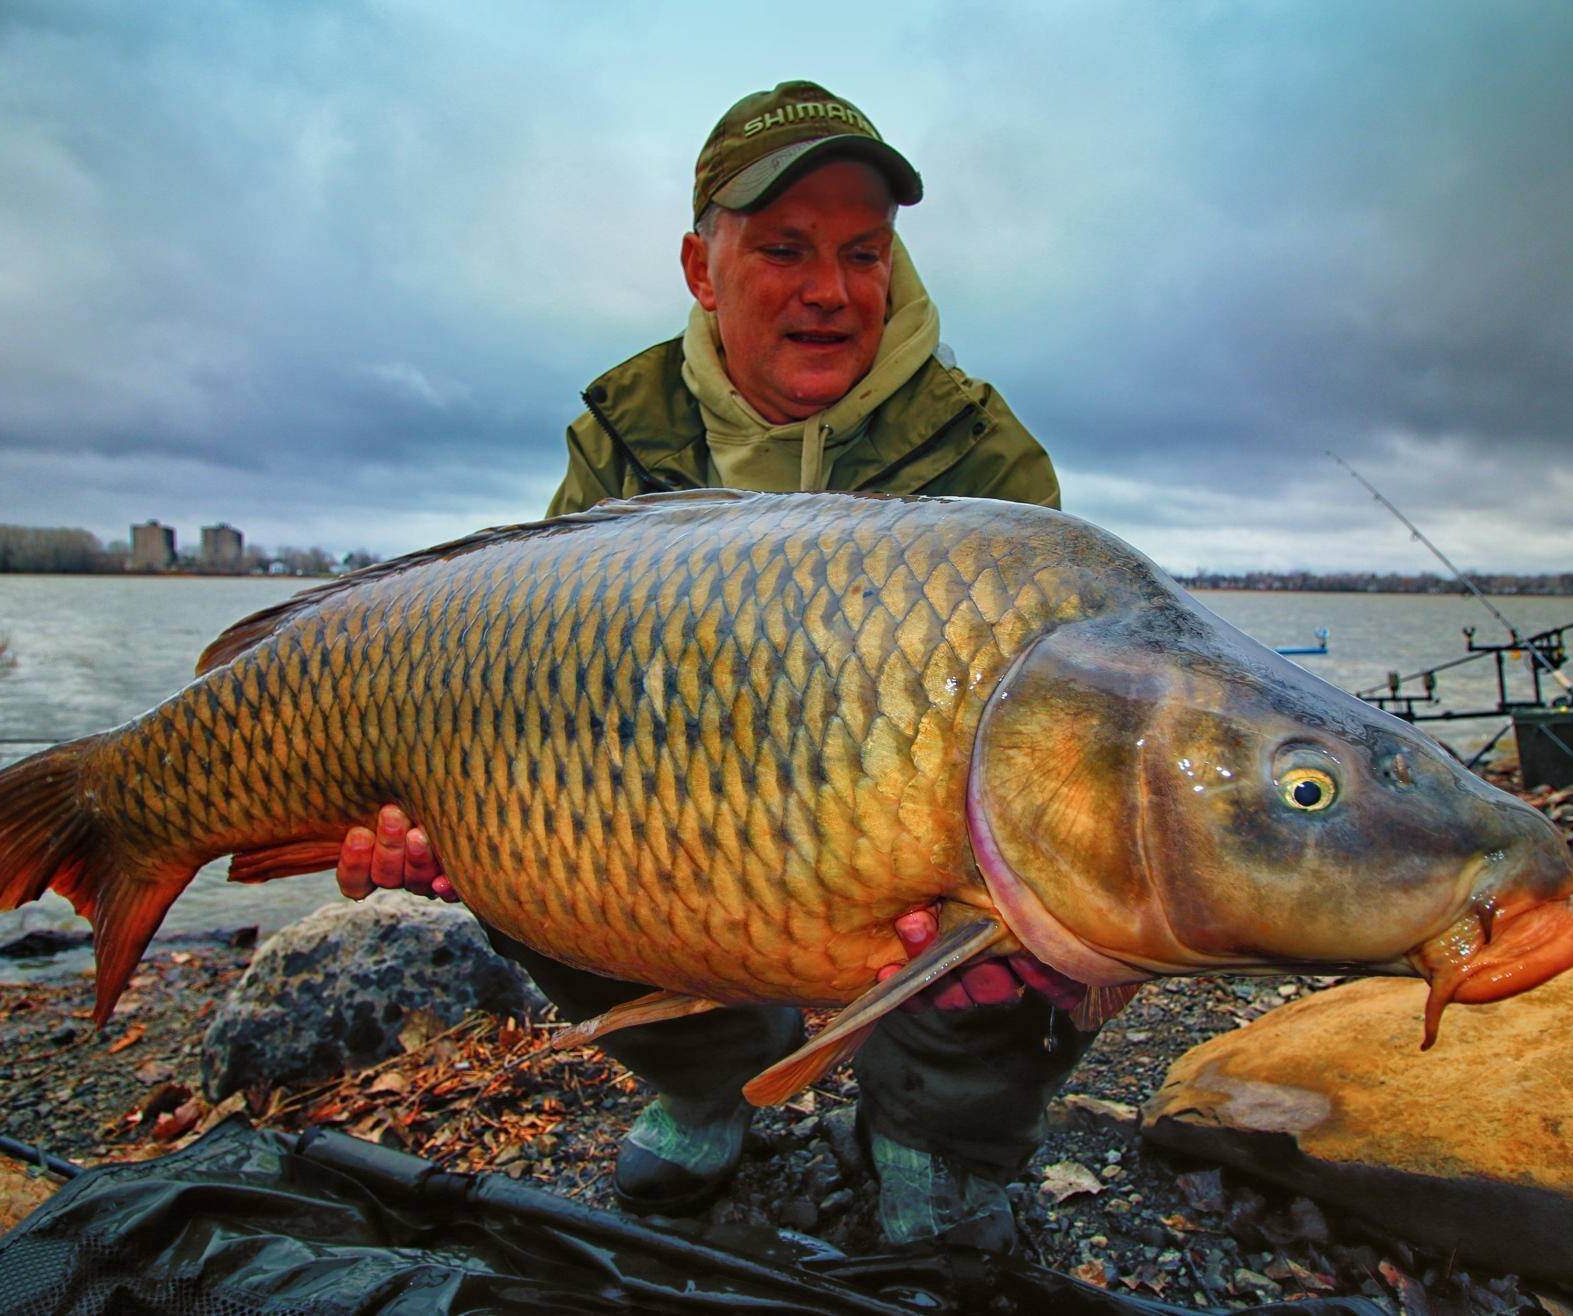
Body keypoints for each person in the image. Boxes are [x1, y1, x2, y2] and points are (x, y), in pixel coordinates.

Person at [338, 81, 1097, 1252]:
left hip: (894, 830)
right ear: (701, 267)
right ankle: (705, 1080)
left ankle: (935, 1138)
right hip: (678, 818)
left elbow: (1055, 700)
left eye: (863, 251)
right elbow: (521, 680)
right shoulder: (626, 434)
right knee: (510, 828)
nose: (831, 290)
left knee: (1055, 892)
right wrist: (427, 814)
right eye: (784, 249)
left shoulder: (982, 454)